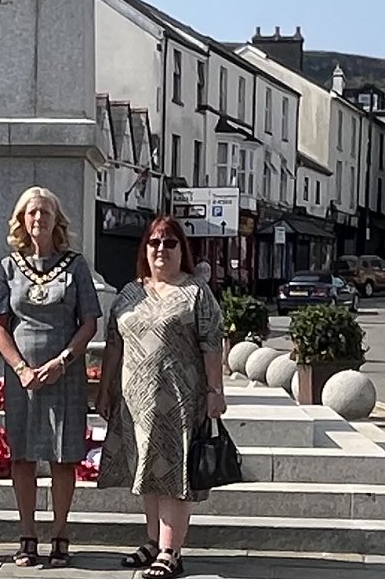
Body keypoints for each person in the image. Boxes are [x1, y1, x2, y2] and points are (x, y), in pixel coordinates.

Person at [96, 216, 225, 579]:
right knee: (147, 472)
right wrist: (105, 389)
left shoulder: (196, 292)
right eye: (154, 242)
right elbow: (114, 344)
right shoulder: (129, 292)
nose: (161, 250)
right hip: (136, 402)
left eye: (170, 243)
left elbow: (212, 342)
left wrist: (216, 391)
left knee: (175, 476)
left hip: (180, 400)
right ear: (144, 249)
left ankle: (172, 550)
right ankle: (154, 541)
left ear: (182, 249)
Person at [0, 186, 102, 568]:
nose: (38, 219)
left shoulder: (75, 265)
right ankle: (26, 535)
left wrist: (64, 360)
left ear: (57, 221)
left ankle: (60, 534)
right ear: (21, 220)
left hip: (64, 374)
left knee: (62, 457)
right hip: (22, 378)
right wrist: (21, 368)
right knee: (22, 456)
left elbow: (89, 321)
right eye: (31, 213)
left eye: (45, 213)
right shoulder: (8, 267)